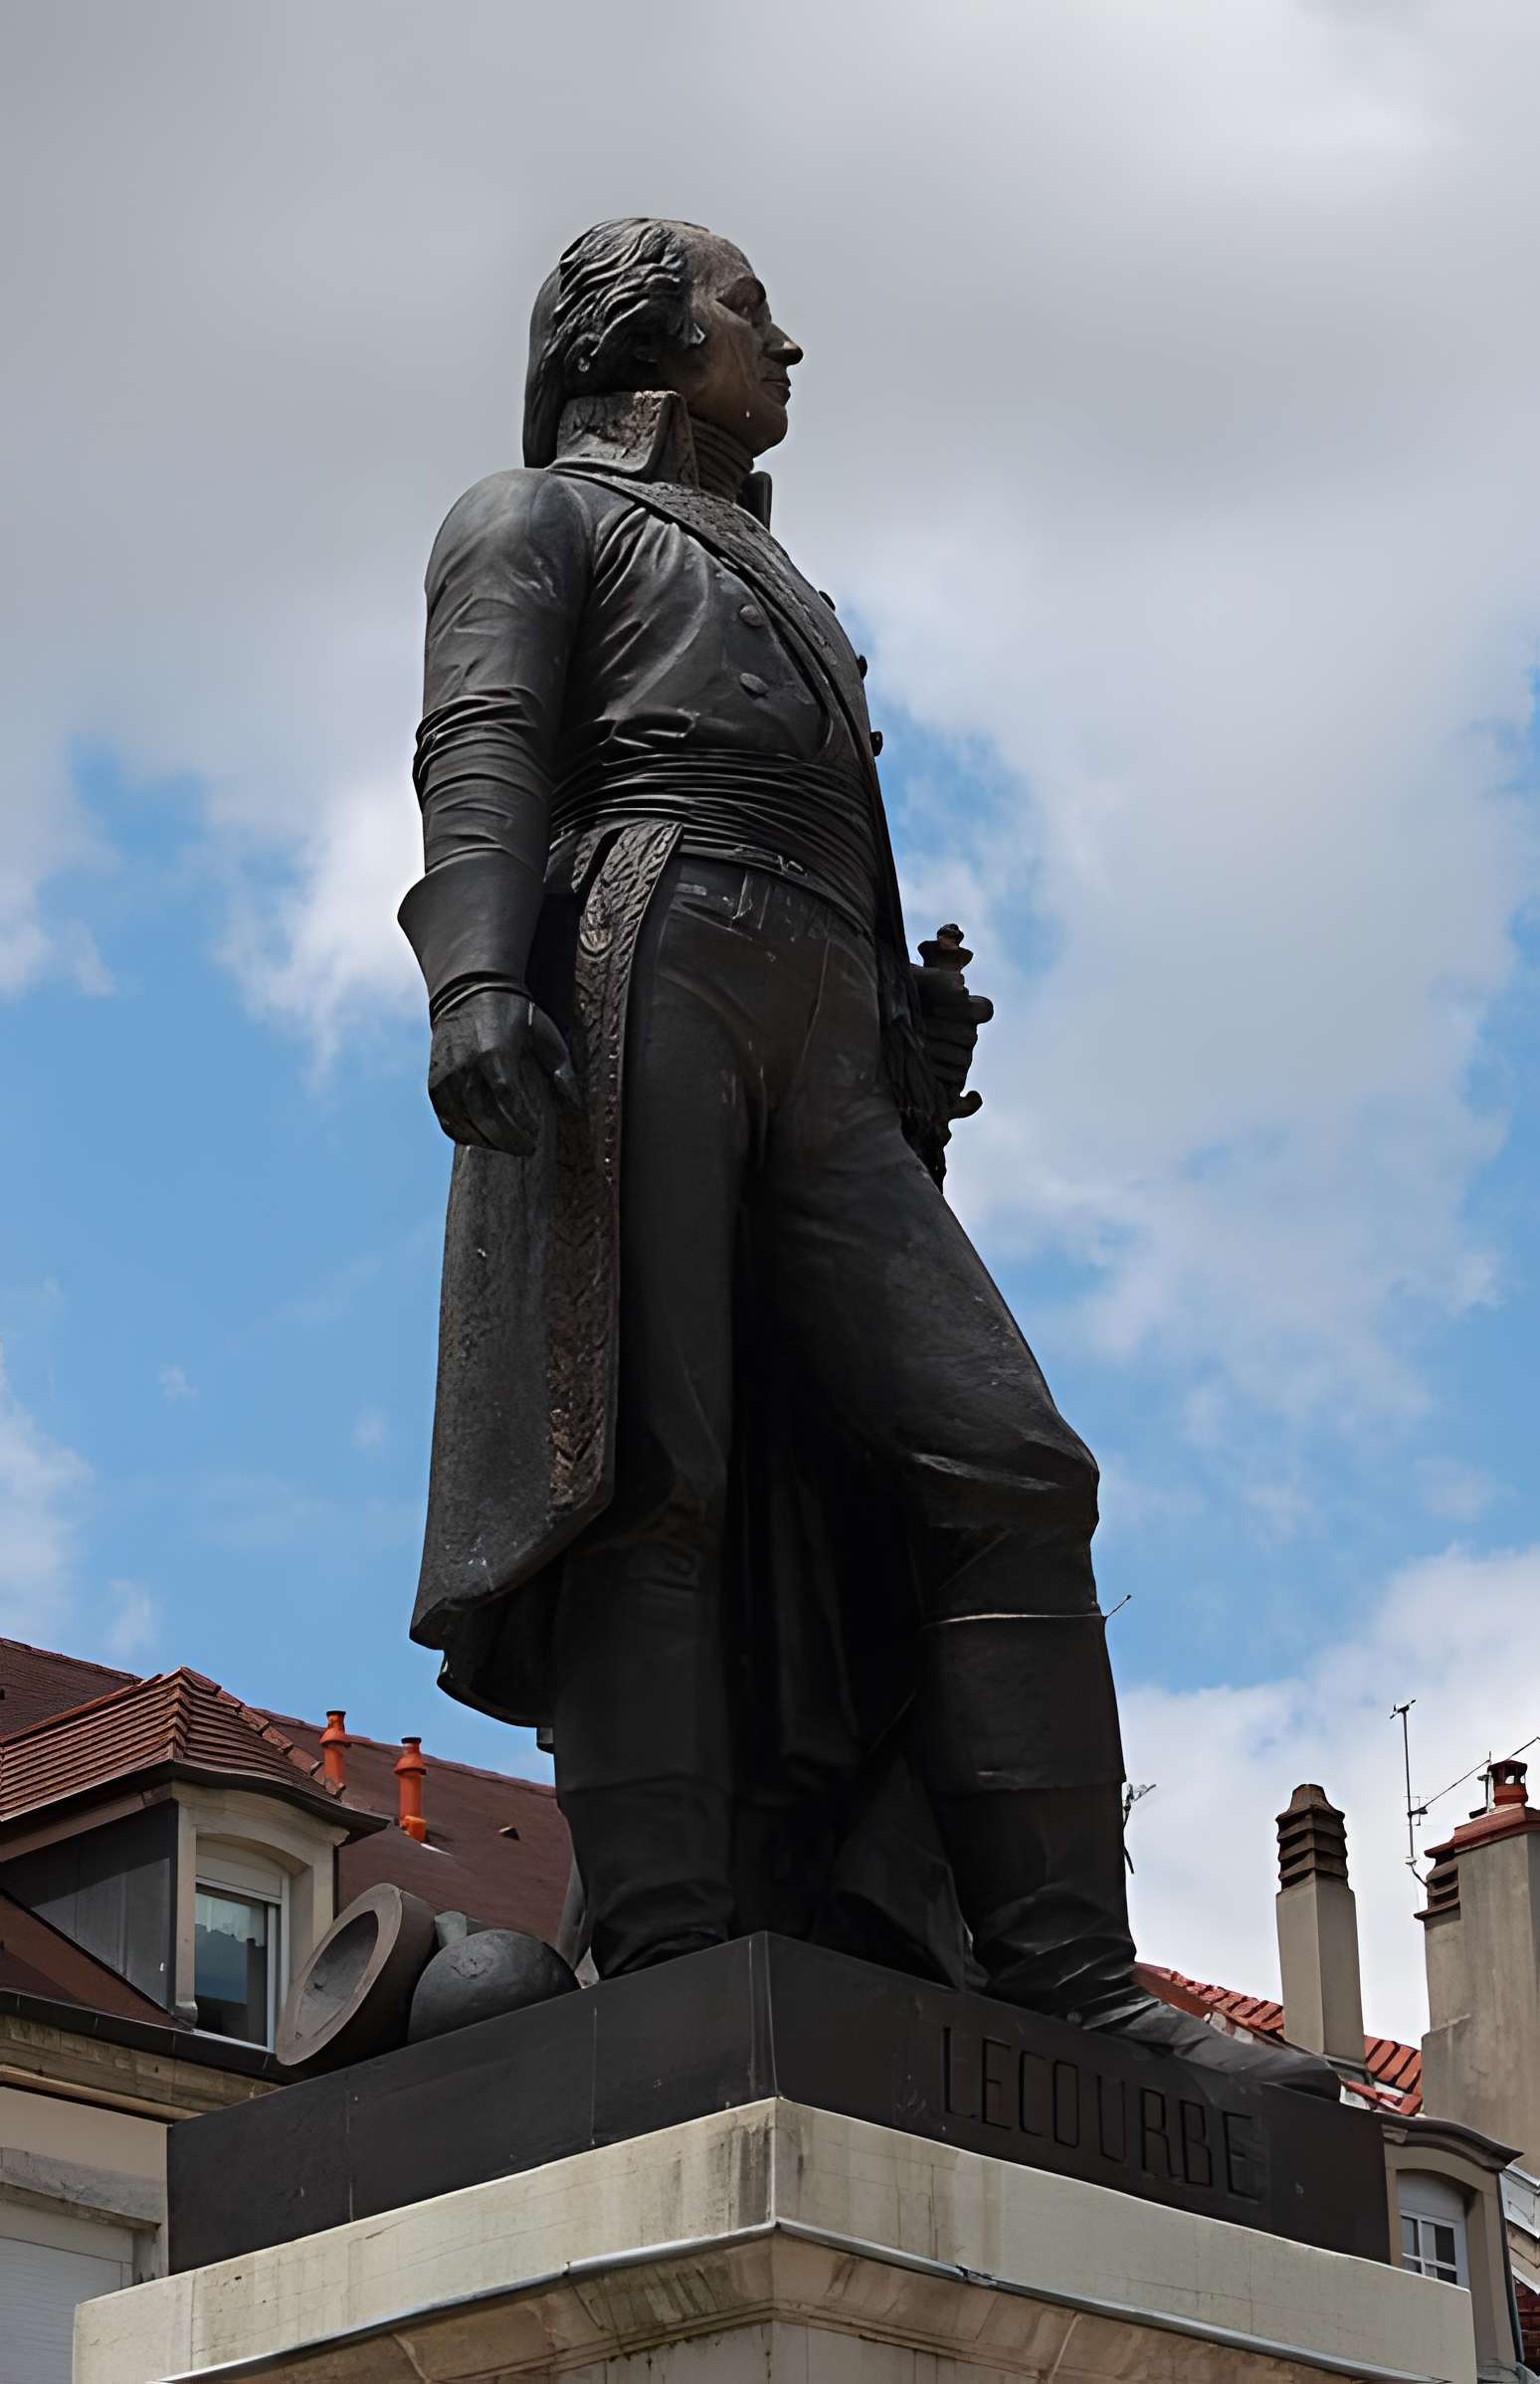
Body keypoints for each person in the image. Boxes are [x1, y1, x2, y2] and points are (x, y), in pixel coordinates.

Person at [400, 217, 1333, 2096]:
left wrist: (896, 1028)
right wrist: (478, 973)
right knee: (646, 1467)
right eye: (751, 311)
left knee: (1007, 1459)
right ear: (638, 338)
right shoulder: (535, 516)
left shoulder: (771, 567)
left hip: (817, 1005)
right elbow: (483, 738)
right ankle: (664, 1947)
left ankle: (1068, 1973)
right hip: (644, 941)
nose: (790, 343)